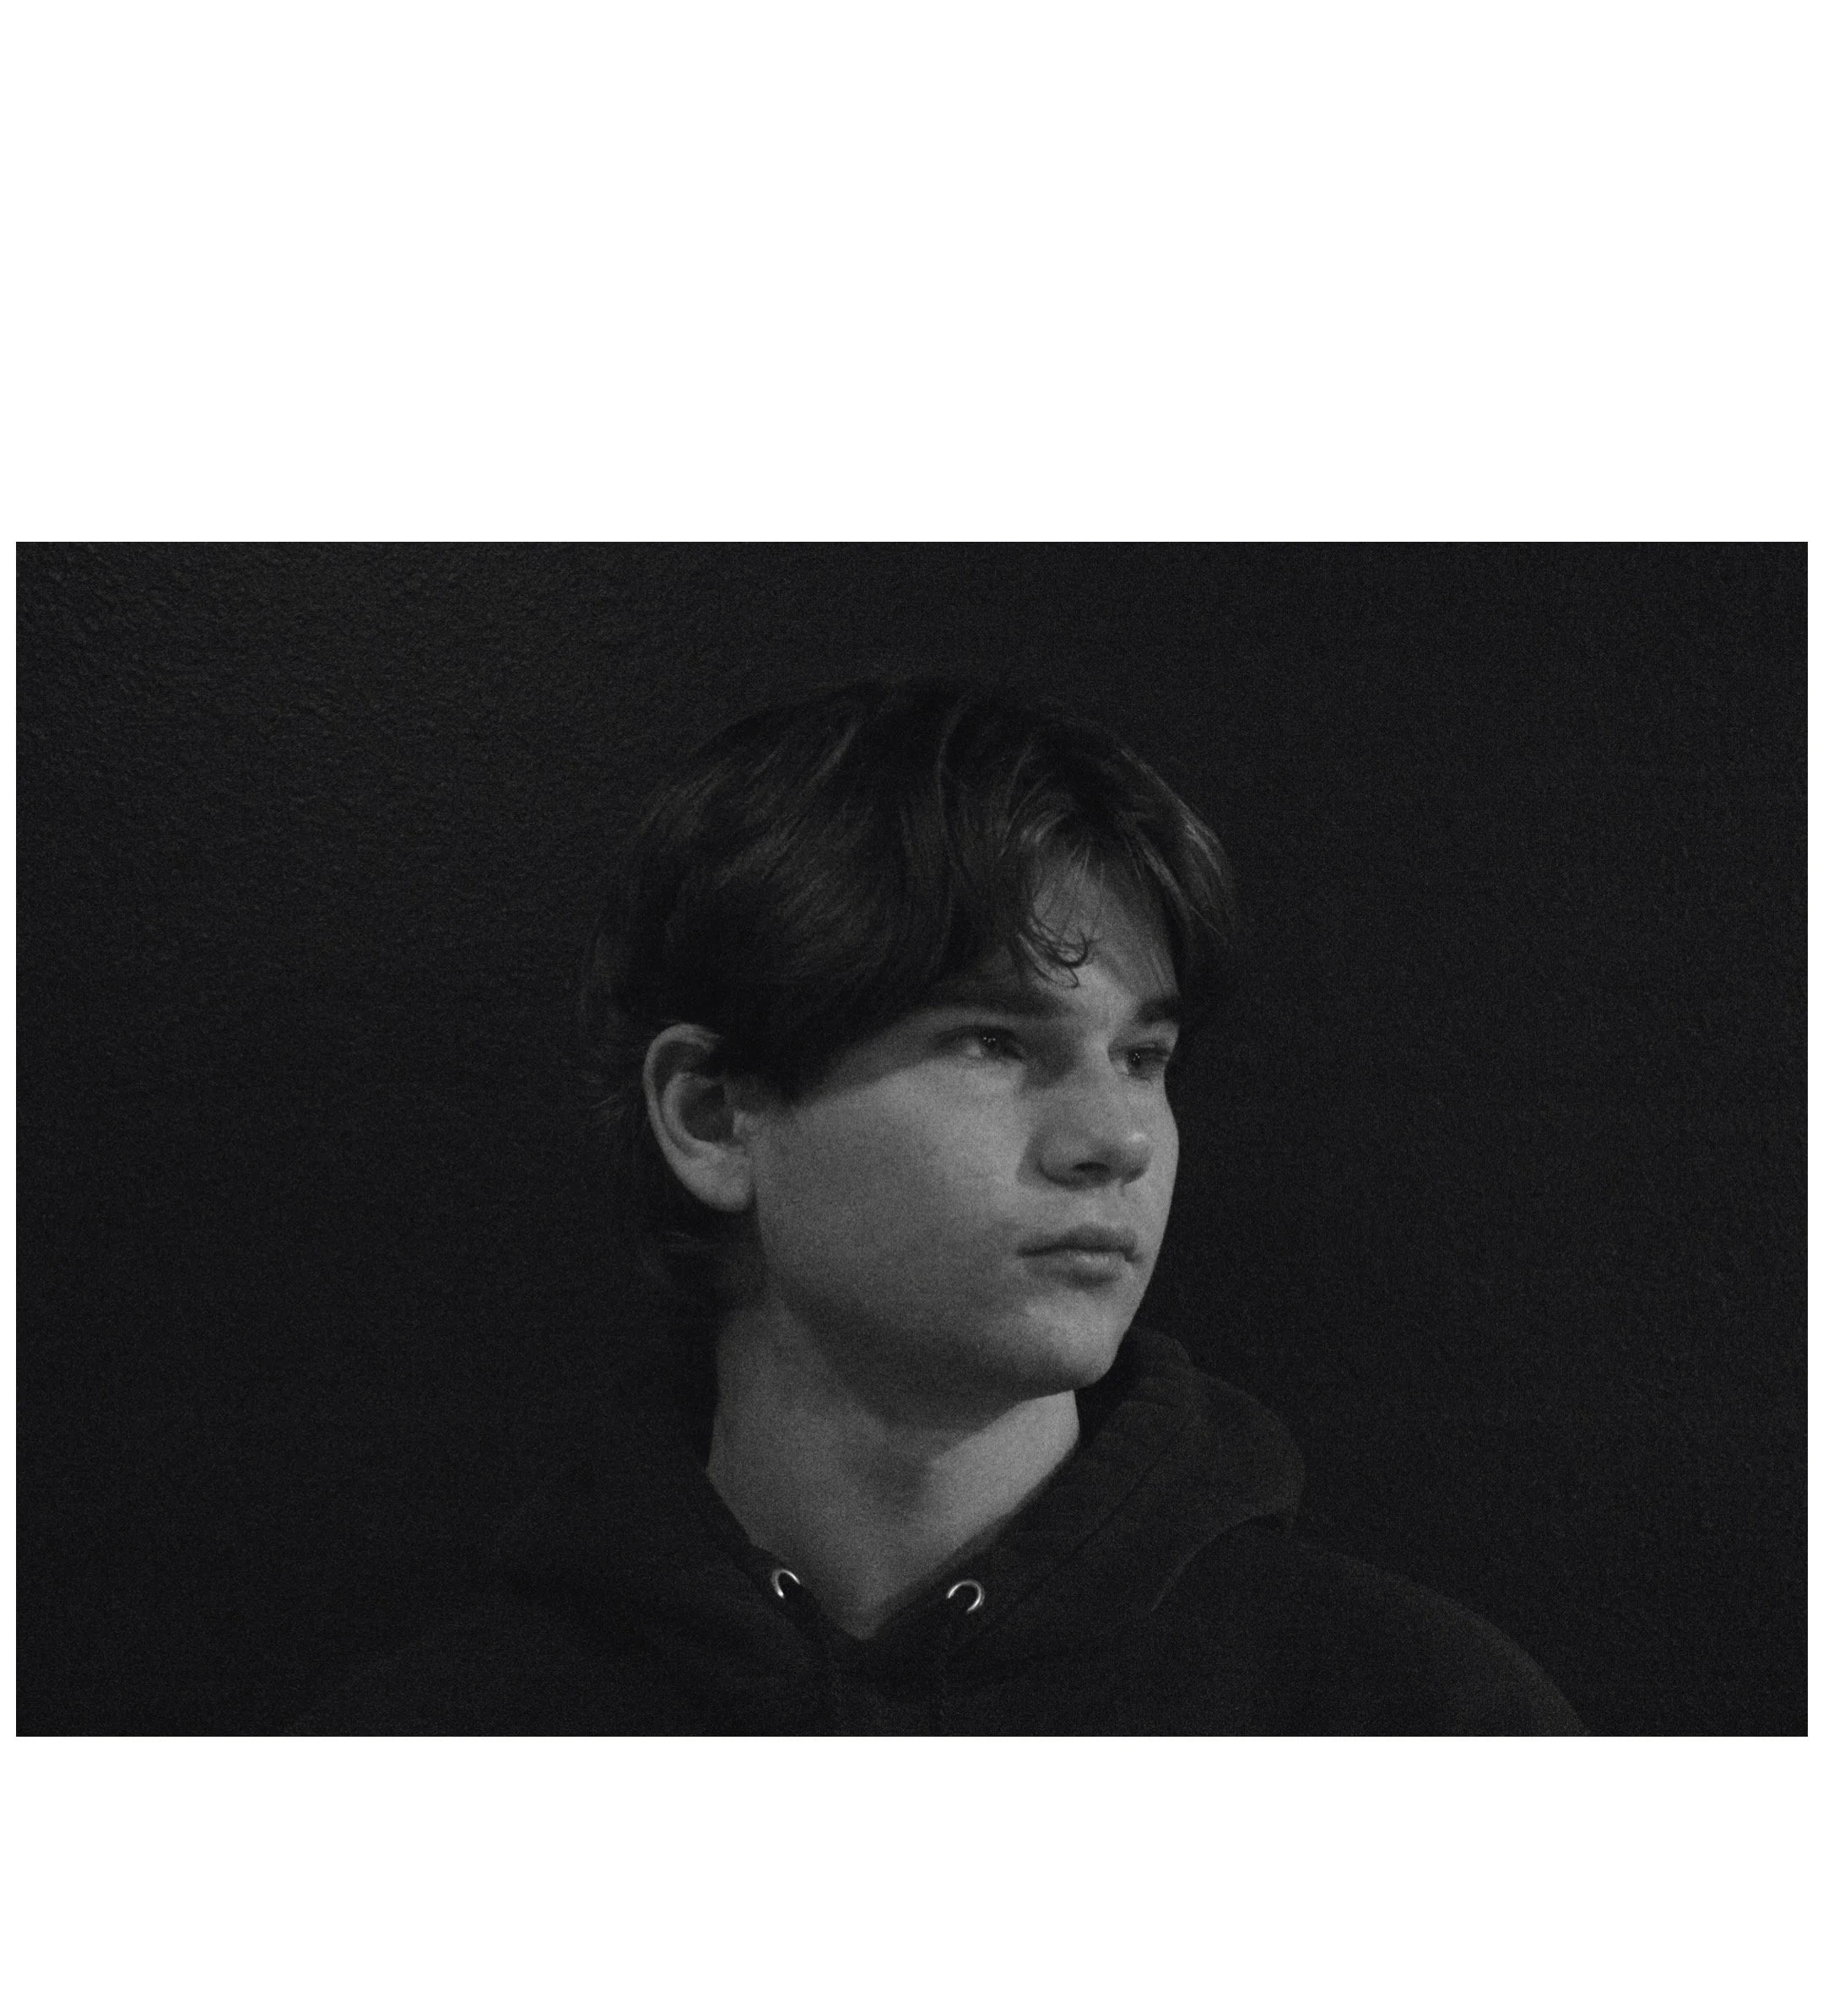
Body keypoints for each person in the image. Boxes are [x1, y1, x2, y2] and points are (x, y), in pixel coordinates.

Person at [296, 679, 1582, 1734]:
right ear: (713, 1117)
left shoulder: (1414, 1719)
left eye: (1143, 1055)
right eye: (992, 1042)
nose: (1119, 1139)